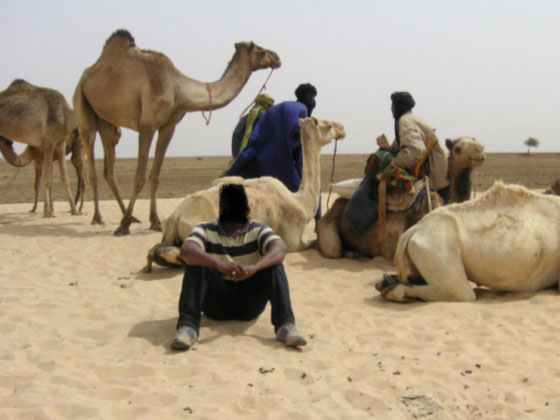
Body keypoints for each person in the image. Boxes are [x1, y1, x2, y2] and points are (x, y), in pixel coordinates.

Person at [171, 183, 307, 351]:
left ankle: (285, 326)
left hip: (249, 304)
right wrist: (218, 264)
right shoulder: (205, 229)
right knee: (197, 263)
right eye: (228, 204)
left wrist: (255, 268)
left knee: (273, 265)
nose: (233, 208)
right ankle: (187, 328)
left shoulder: (257, 229)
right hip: (215, 304)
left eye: (237, 204)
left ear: (246, 206)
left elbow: (280, 248)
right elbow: (186, 250)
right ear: (221, 207)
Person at [342, 91, 449, 233]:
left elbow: (415, 151)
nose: (391, 109)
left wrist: (392, 165)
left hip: (437, 178)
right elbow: (399, 147)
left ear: (398, 107)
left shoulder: (405, 121)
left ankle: (358, 223)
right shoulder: (410, 120)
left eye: (392, 105)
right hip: (441, 175)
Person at [225, 83, 322, 220]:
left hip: (259, 160)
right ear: (302, 96)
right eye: (310, 96)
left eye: (314, 97)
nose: (312, 100)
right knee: (306, 193)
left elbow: (251, 137)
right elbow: (295, 133)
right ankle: (318, 222)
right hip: (282, 162)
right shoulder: (301, 110)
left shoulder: (273, 110)